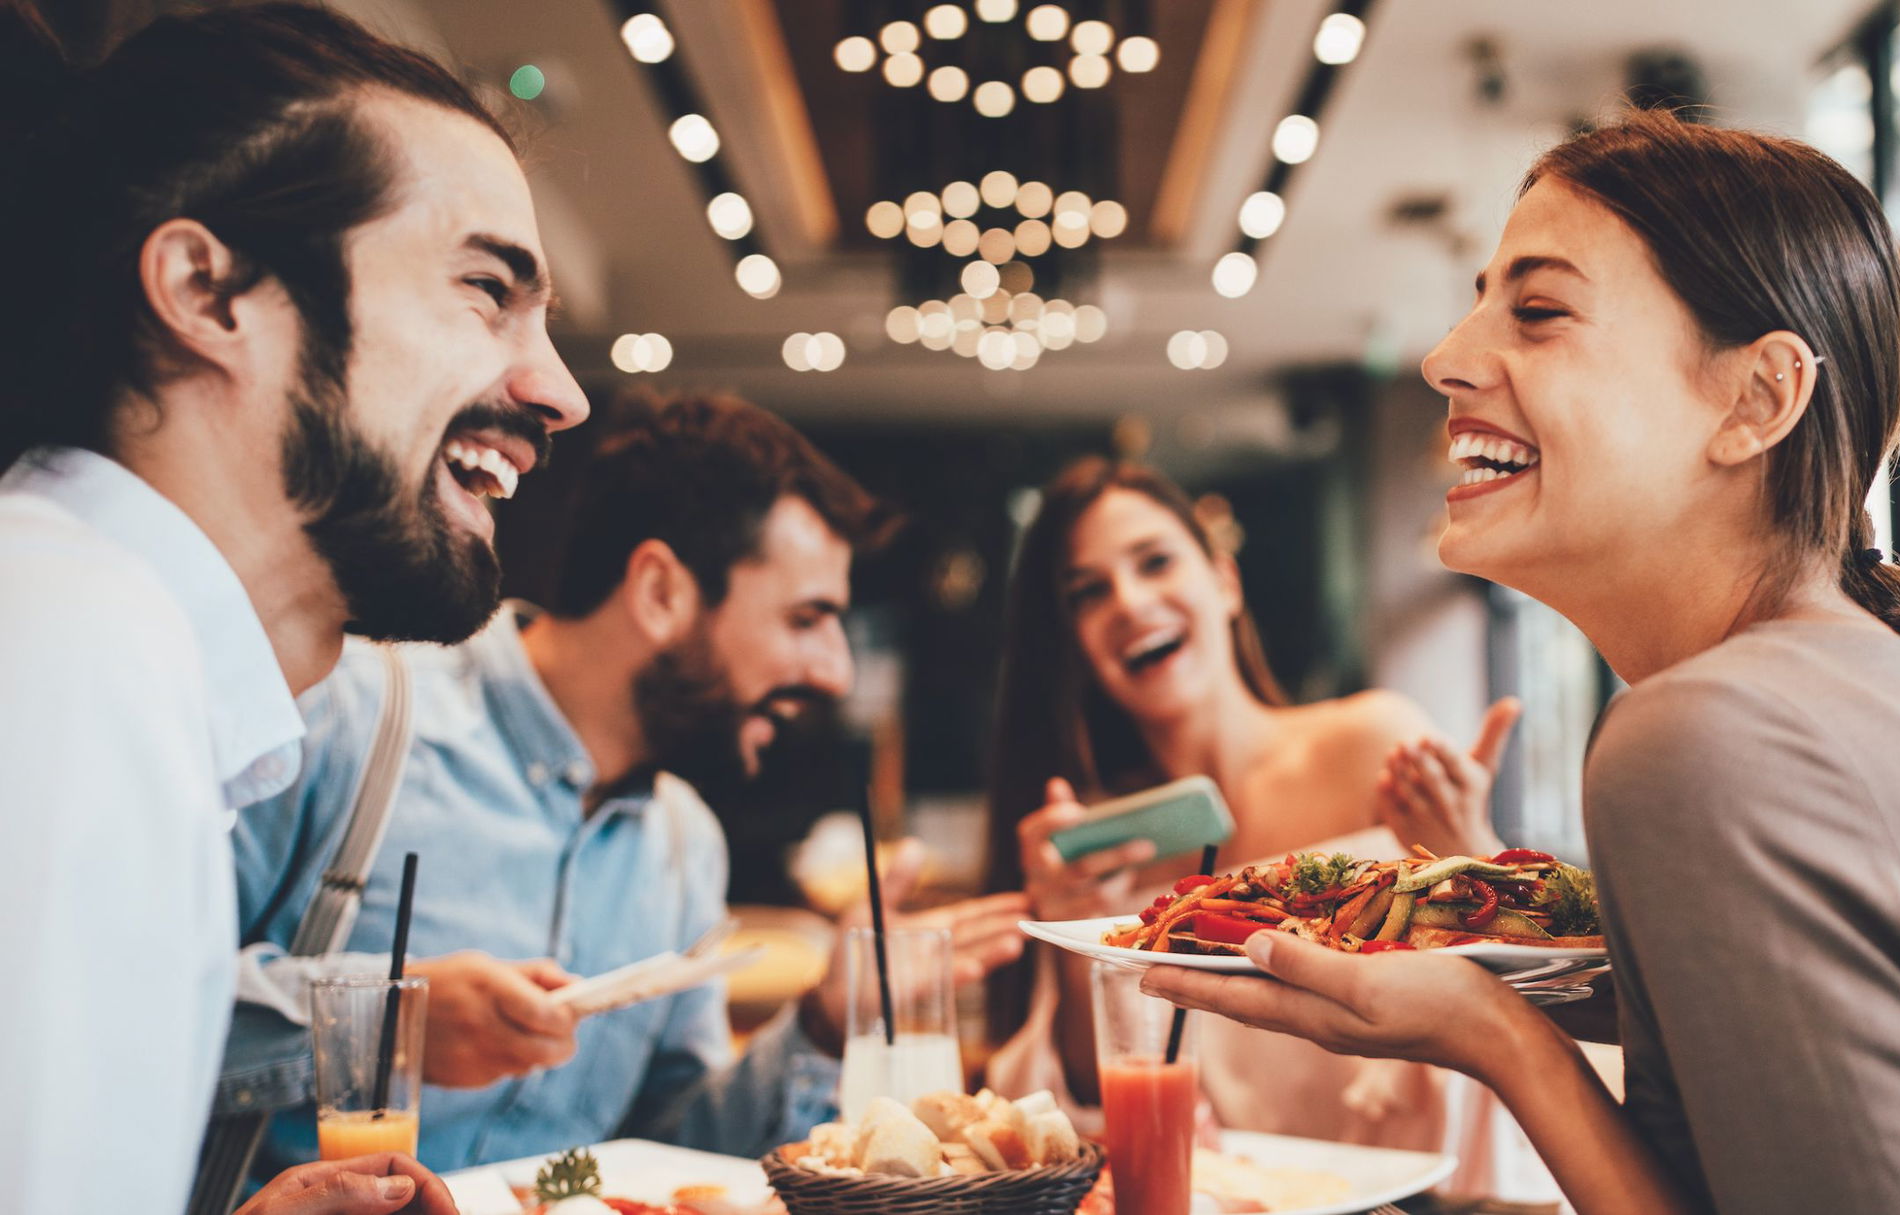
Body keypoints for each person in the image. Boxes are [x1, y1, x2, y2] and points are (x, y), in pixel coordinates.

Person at [1141, 109, 1900, 1214]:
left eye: (1538, 312)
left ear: (1755, 400)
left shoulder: (1707, 732)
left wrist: (1494, 1032)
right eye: (1475, 305)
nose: (1445, 360)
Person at [0, 2, 589, 1212]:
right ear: (210, 292)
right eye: (487, 289)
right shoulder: (66, 647)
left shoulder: (116, 647)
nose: (560, 392)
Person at [226, 394, 1032, 1176]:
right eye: (805, 618)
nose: (836, 670)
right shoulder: (343, 715)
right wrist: (389, 1023)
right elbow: (126, 1004)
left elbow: (676, 1149)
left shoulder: (684, 843)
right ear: (660, 592)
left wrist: (824, 1022)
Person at [983, 457, 1525, 1190]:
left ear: (1224, 581)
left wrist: (1474, 853)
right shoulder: (1100, 848)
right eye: (1087, 593)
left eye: (1155, 561)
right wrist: (1069, 925)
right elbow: (1096, 1094)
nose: (1130, 602)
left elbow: (1509, 995)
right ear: (1073, 641)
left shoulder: (1370, 747)